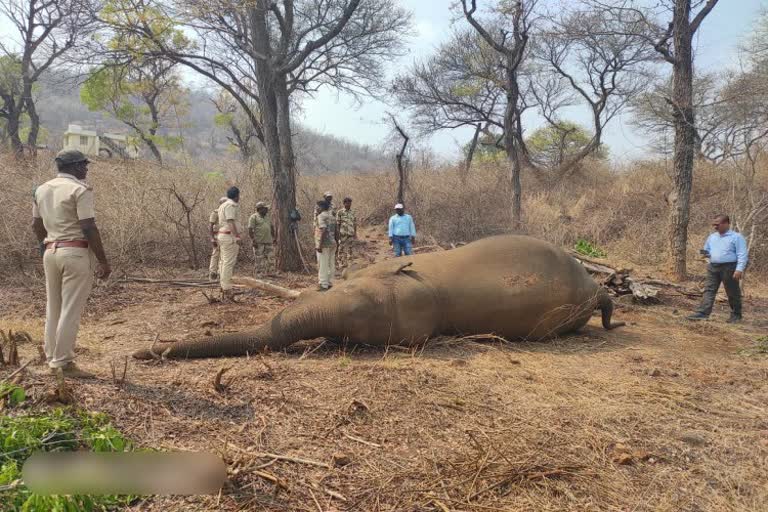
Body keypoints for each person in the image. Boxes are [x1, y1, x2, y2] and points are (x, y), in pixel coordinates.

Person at [32, 149, 111, 379]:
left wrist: (43, 247)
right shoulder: (80, 190)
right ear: (75, 166)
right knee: (70, 309)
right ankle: (63, 362)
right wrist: (103, 261)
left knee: (53, 307)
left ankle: (52, 359)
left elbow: (36, 226)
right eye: (84, 165)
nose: (86, 169)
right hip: (75, 252)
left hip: (51, 251)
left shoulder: (41, 190)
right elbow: (88, 227)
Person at [687, 214, 748, 323]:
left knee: (732, 292)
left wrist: (739, 269)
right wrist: (705, 254)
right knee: (709, 290)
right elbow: (707, 250)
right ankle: (703, 313)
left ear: (726, 224)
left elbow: (742, 254)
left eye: (717, 224)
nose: (715, 227)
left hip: (729, 267)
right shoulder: (712, 237)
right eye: (713, 224)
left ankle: (736, 315)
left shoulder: (736, 237)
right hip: (713, 267)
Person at [217, 186, 242, 302]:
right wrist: (237, 236)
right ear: (237, 195)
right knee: (228, 263)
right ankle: (227, 288)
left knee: (223, 262)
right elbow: (230, 221)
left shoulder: (223, 205)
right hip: (229, 236)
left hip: (223, 235)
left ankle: (223, 286)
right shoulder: (231, 205)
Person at [314, 200, 337, 291]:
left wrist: (319, 245)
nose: (317, 208)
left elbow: (323, 230)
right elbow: (336, 231)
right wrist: (337, 243)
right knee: (331, 263)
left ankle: (323, 284)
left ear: (322, 207)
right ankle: (330, 282)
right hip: (333, 243)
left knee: (323, 264)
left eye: (318, 207)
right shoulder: (332, 216)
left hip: (324, 244)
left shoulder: (321, 216)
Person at [248, 201, 275, 276]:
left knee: (271, 258)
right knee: (259, 259)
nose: (267, 209)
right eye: (265, 208)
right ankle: (259, 274)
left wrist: (274, 237)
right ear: (260, 209)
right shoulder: (254, 217)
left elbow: (271, 227)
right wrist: (253, 241)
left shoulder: (267, 217)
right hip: (258, 242)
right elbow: (250, 230)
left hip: (269, 241)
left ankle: (271, 273)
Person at [208, 197, 227, 280]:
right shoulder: (216, 212)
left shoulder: (228, 213)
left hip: (226, 237)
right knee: (215, 254)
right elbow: (211, 226)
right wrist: (212, 239)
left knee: (223, 256)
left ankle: (220, 273)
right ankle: (213, 273)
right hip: (217, 237)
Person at [336, 197, 357, 269]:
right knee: (341, 249)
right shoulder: (340, 212)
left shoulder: (353, 212)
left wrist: (355, 233)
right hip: (343, 234)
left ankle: (350, 264)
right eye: (347, 203)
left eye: (350, 203)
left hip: (351, 233)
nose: (349, 204)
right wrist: (338, 234)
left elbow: (354, 223)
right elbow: (338, 224)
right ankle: (340, 263)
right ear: (344, 203)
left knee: (350, 249)